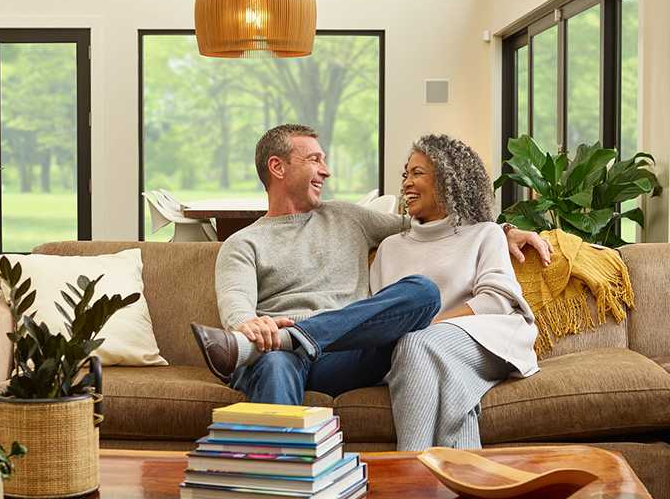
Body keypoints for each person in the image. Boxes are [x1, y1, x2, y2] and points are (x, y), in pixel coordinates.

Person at [190, 124, 550, 406]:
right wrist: (250, 328)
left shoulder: (347, 217)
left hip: (346, 355)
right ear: (277, 166)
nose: (326, 170)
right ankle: (281, 488)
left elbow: (436, 223)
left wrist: (504, 230)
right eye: (314, 159)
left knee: (421, 291)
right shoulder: (243, 244)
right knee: (273, 361)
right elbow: (237, 311)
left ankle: (295, 339)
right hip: (276, 355)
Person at [373, 134, 540, 450]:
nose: (407, 183)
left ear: (449, 179)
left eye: (417, 173)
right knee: (429, 362)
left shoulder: (485, 234)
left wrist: (429, 328)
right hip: (420, 353)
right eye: (405, 174)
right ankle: (459, 483)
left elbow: (495, 301)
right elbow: (383, 316)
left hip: (488, 339)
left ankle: (411, 467)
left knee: (414, 342)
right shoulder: (389, 248)